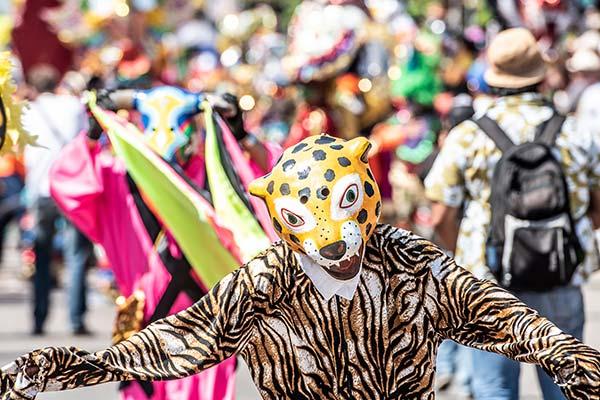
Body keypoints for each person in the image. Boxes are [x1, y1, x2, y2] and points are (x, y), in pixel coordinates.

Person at [1, 134, 599, 400]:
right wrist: (69, 367)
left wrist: (569, 355)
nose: (338, 252)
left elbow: (500, 316)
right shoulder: (267, 284)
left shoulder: (411, 264)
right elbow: (177, 343)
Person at [48, 88, 280, 400]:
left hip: (206, 340)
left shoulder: (217, 175)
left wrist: (240, 136)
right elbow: (66, 183)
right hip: (144, 342)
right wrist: (91, 135)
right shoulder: (118, 178)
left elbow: (277, 185)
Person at [425, 28, 600, 400]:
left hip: (488, 284)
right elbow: (597, 206)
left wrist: (467, 257)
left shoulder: (468, 136)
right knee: (565, 388)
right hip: (561, 275)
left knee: (494, 389)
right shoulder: (575, 132)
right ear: (540, 76)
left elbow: (441, 213)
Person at [22, 64, 93, 336]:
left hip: (41, 190)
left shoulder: (28, 110)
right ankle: (76, 319)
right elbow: (86, 139)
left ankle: (39, 319)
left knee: (41, 255)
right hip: (70, 188)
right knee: (77, 255)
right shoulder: (72, 106)